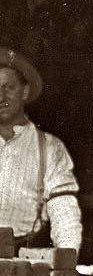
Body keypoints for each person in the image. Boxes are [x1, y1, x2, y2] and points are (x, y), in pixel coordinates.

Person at [0, 46, 82, 252]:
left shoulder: (50, 149)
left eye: (8, 87)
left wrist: (66, 262)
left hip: (20, 260)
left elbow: (65, 214)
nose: (0, 98)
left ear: (24, 91)